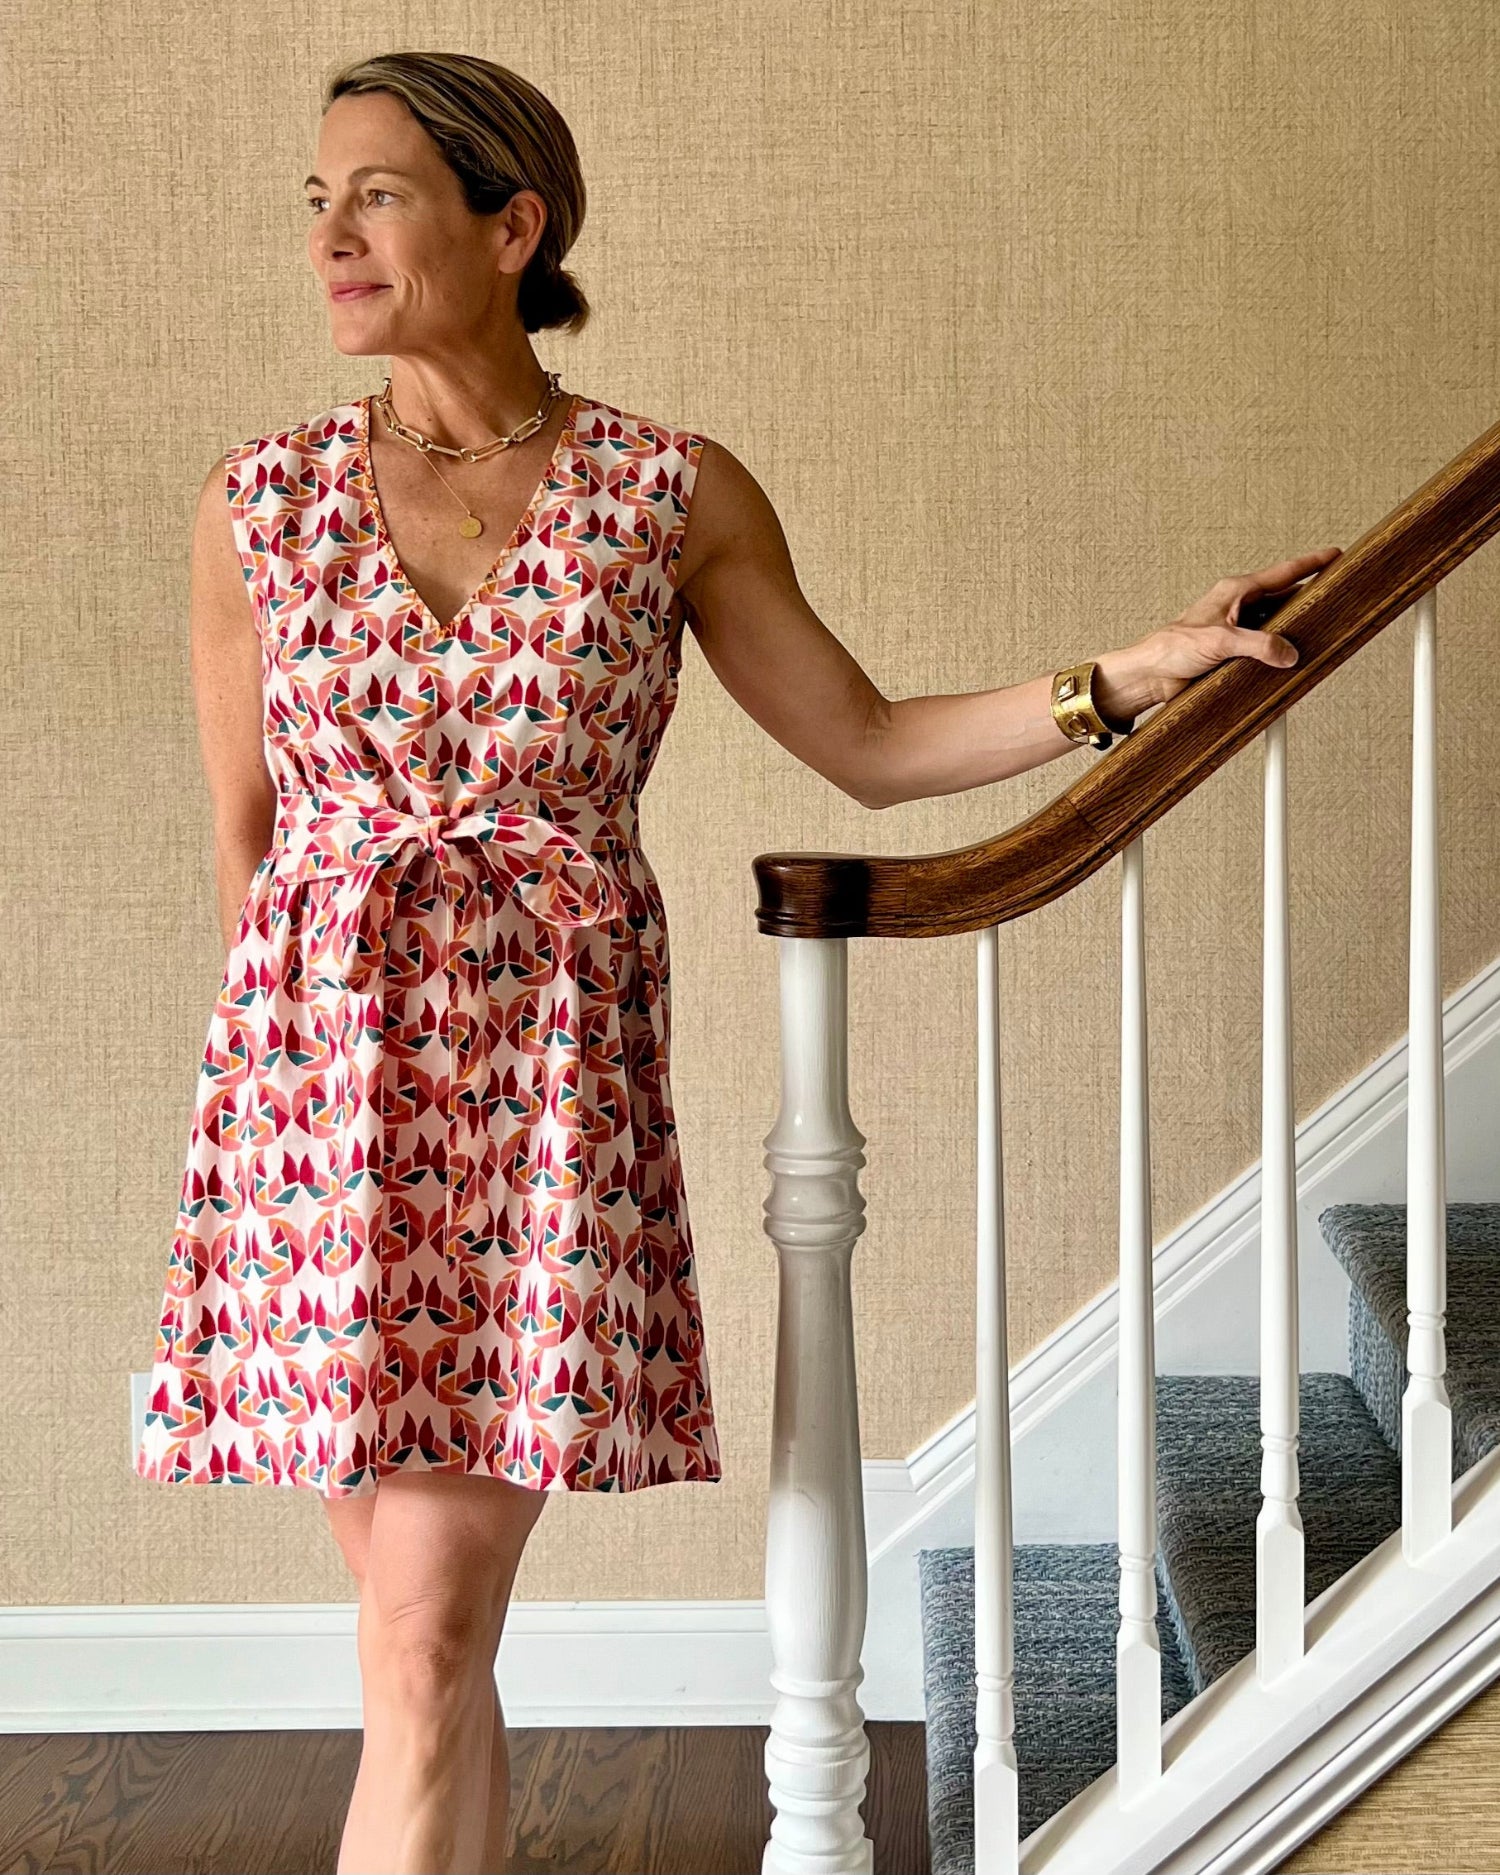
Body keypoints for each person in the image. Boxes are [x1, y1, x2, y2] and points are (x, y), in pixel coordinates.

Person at [132, 49, 1343, 1875]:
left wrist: (1122, 679)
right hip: (318, 1118)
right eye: (317, 202)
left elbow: (869, 740)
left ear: (512, 224)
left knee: (425, 1633)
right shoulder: (256, 502)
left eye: (376, 194)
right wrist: (282, 1122)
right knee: (418, 1651)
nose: (330, 239)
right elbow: (250, 843)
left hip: (543, 1093)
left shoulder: (663, 492)